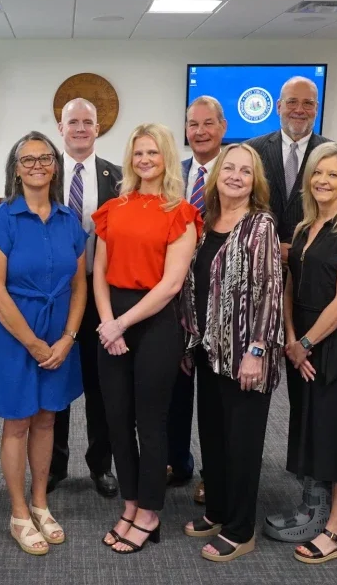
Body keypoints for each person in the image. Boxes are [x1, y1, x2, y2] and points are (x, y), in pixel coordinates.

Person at [0, 131, 87, 556]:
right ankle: (19, 511)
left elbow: (79, 287)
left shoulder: (68, 220)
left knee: (47, 421)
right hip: (13, 336)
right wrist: (34, 344)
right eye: (28, 159)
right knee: (18, 422)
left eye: (45, 158)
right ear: (16, 168)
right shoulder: (1, 219)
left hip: (60, 334)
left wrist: (67, 338)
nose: (37, 165)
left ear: (55, 166)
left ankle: (41, 501)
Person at [94, 123, 202, 554]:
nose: (145, 160)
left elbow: (171, 285)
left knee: (151, 423)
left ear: (166, 158)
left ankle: (152, 512)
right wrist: (107, 323)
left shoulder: (181, 212)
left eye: (153, 153)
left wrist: (122, 324)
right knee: (117, 420)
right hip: (111, 319)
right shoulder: (113, 207)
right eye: (138, 153)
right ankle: (131, 502)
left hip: (157, 322)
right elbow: (99, 271)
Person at [179, 144, 283, 562]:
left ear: (254, 180)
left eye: (246, 170)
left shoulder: (261, 226)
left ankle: (241, 530)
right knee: (215, 437)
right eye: (230, 168)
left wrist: (257, 350)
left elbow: (271, 293)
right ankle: (219, 510)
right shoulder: (204, 222)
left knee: (242, 444)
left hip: (245, 356)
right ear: (217, 173)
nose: (236, 176)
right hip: (210, 352)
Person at [248, 76, 333, 543]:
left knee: (310, 389)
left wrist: (295, 248)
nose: (300, 109)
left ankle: (311, 481)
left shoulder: (331, 153)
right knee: (254, 379)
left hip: (313, 283)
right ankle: (248, 468)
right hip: (260, 282)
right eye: (292, 102)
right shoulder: (253, 149)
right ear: (277, 106)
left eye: (308, 103)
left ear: (316, 107)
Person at [282, 142, 337, 564]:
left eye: (333, 174)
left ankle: (336, 528)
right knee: (314, 425)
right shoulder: (304, 227)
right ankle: (318, 507)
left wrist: (306, 343)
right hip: (301, 339)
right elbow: (288, 286)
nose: (323, 181)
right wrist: (289, 336)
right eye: (318, 173)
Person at [49, 98, 122, 498]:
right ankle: (54, 465)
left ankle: (101, 465)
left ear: (98, 128)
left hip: (104, 294)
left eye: (87, 122)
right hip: (55, 295)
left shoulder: (119, 177)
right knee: (56, 378)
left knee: (101, 385)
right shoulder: (42, 173)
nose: (80, 128)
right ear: (61, 128)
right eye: (72, 122)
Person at [172, 95, 228, 504]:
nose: (201, 132)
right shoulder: (177, 175)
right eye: (193, 124)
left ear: (222, 127)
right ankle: (177, 459)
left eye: (208, 124)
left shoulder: (236, 172)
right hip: (177, 296)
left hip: (220, 300)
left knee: (214, 396)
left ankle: (214, 472)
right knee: (175, 385)